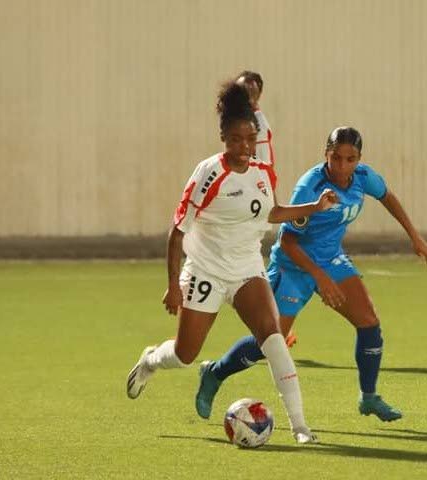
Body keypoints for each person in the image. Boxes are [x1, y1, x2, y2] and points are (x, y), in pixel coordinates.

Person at [126, 79, 338, 444]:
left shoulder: (261, 172)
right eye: (236, 139)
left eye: (249, 139)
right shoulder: (208, 173)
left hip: (246, 269)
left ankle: (301, 427)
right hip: (206, 269)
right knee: (185, 354)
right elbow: (177, 233)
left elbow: (271, 213)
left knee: (274, 338)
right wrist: (173, 286)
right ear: (223, 137)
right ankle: (150, 361)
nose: (244, 147)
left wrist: (314, 207)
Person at [196, 126, 427, 422]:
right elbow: (288, 241)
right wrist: (320, 277)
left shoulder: (363, 177)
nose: (343, 166)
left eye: (351, 159)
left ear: (359, 158)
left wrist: (414, 235)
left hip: (331, 258)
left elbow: (387, 197)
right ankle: (214, 372)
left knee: (369, 321)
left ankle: (369, 397)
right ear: (326, 154)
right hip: (293, 265)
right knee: (268, 343)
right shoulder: (311, 186)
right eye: (336, 158)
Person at [236, 70, 298, 347]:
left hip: (256, 197)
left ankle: (273, 328)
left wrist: (268, 194)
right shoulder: (244, 121)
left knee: (250, 265)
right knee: (249, 267)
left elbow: (262, 162)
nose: (246, 95)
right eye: (242, 90)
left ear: (259, 93)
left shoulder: (256, 120)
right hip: (246, 197)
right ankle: (273, 328)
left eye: (250, 90)